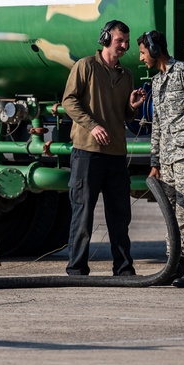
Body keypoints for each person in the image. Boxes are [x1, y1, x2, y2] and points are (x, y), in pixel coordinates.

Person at [62, 19, 142, 276]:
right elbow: (69, 101)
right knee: (83, 214)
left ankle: (123, 268)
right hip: (87, 152)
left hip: (116, 153)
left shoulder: (126, 75)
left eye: (127, 42)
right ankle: (76, 268)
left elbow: (126, 116)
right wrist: (92, 125)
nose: (125, 46)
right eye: (120, 40)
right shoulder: (85, 66)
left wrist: (132, 107)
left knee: (120, 216)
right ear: (106, 38)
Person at [136, 29, 184, 287]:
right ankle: (174, 265)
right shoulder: (157, 83)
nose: (141, 58)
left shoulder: (183, 72)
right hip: (166, 160)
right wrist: (154, 164)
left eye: (143, 52)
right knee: (170, 213)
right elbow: (156, 126)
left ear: (155, 51)